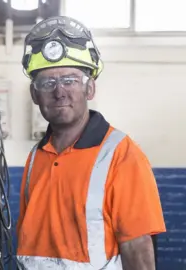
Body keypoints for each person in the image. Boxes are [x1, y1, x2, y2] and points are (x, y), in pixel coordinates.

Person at [16, 16, 166, 270]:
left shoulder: (122, 156)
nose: (59, 91)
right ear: (34, 94)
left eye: (70, 80)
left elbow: (139, 253)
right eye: (47, 83)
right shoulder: (36, 157)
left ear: (90, 89)